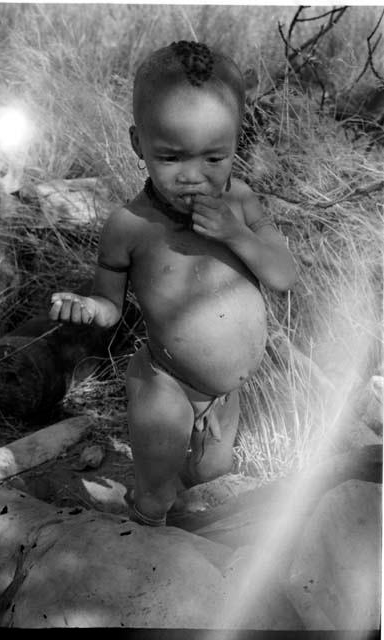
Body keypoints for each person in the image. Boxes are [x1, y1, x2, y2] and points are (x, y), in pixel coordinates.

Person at [50, 41, 296, 526]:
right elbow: (109, 303)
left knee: (208, 478)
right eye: (171, 158)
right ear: (138, 144)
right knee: (158, 484)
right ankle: (143, 530)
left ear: (235, 141)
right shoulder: (129, 226)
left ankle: (183, 537)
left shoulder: (241, 204)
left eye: (214, 158)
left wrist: (236, 234)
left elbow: (283, 275)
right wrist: (88, 308)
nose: (193, 177)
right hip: (167, 383)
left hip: (226, 394)